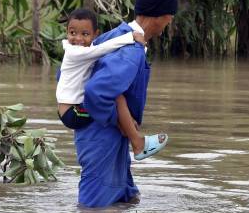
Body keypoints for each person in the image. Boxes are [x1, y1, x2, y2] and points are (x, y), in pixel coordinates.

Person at [75, 0, 177, 207]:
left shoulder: (115, 36)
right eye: (170, 17)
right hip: (102, 141)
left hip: (107, 141)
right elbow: (96, 92)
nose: (169, 23)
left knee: (128, 200)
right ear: (160, 16)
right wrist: (121, 122)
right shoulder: (131, 51)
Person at [56, 8, 168, 160]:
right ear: (67, 32)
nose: (78, 39)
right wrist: (131, 37)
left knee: (115, 103)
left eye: (85, 34)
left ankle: (126, 129)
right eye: (72, 33)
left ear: (96, 35)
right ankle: (137, 142)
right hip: (72, 113)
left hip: (72, 109)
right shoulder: (74, 52)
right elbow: (101, 50)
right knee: (117, 98)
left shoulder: (82, 50)